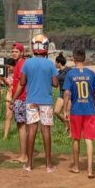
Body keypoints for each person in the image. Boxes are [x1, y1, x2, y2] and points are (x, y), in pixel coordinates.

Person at [18, 34, 59, 172]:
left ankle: (29, 164)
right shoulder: (50, 64)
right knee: (46, 130)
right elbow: (55, 83)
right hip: (46, 101)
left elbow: (22, 82)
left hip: (31, 100)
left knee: (31, 130)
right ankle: (48, 164)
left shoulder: (27, 63)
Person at [62, 49, 95, 178]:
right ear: (85, 59)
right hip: (90, 110)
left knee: (76, 138)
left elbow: (67, 93)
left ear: (73, 58)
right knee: (89, 139)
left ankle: (77, 166)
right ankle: (90, 169)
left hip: (76, 110)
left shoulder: (70, 74)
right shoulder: (91, 73)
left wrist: (65, 109)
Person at [6, 42, 29, 165]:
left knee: (22, 127)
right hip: (21, 98)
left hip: (21, 98)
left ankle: (24, 155)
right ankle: (23, 154)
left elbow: (21, 84)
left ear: (21, 52)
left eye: (16, 51)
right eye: (13, 51)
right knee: (22, 126)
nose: (14, 53)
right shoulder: (19, 64)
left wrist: (13, 99)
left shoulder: (21, 64)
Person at [52, 52, 71, 124]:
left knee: (67, 113)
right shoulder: (58, 72)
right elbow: (55, 83)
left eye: (55, 63)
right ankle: (69, 125)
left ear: (59, 63)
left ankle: (70, 128)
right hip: (61, 93)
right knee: (56, 111)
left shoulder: (69, 70)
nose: (55, 64)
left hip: (69, 93)